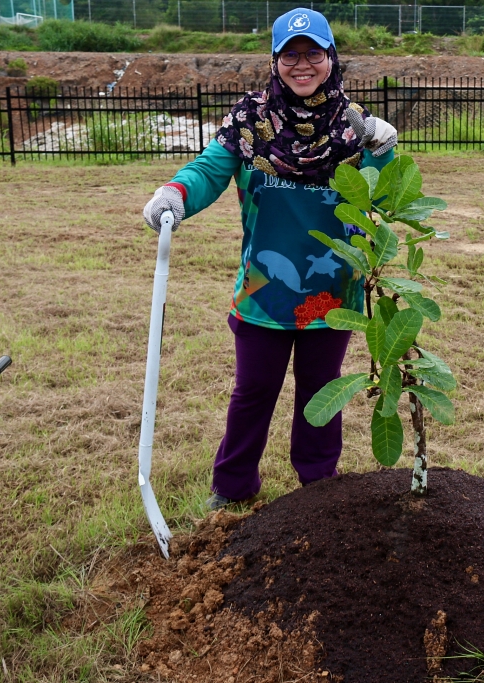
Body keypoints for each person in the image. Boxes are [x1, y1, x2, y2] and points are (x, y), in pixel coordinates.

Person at [141, 8, 398, 510]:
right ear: (276, 61)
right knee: (253, 392)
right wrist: (175, 193)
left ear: (330, 58)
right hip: (263, 288)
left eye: (313, 54)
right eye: (290, 55)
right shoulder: (249, 122)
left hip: (332, 289)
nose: (303, 65)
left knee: (320, 394)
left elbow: (385, 200)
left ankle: (318, 488)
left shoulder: (355, 128)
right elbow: (210, 169)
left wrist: (383, 152)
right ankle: (232, 487)